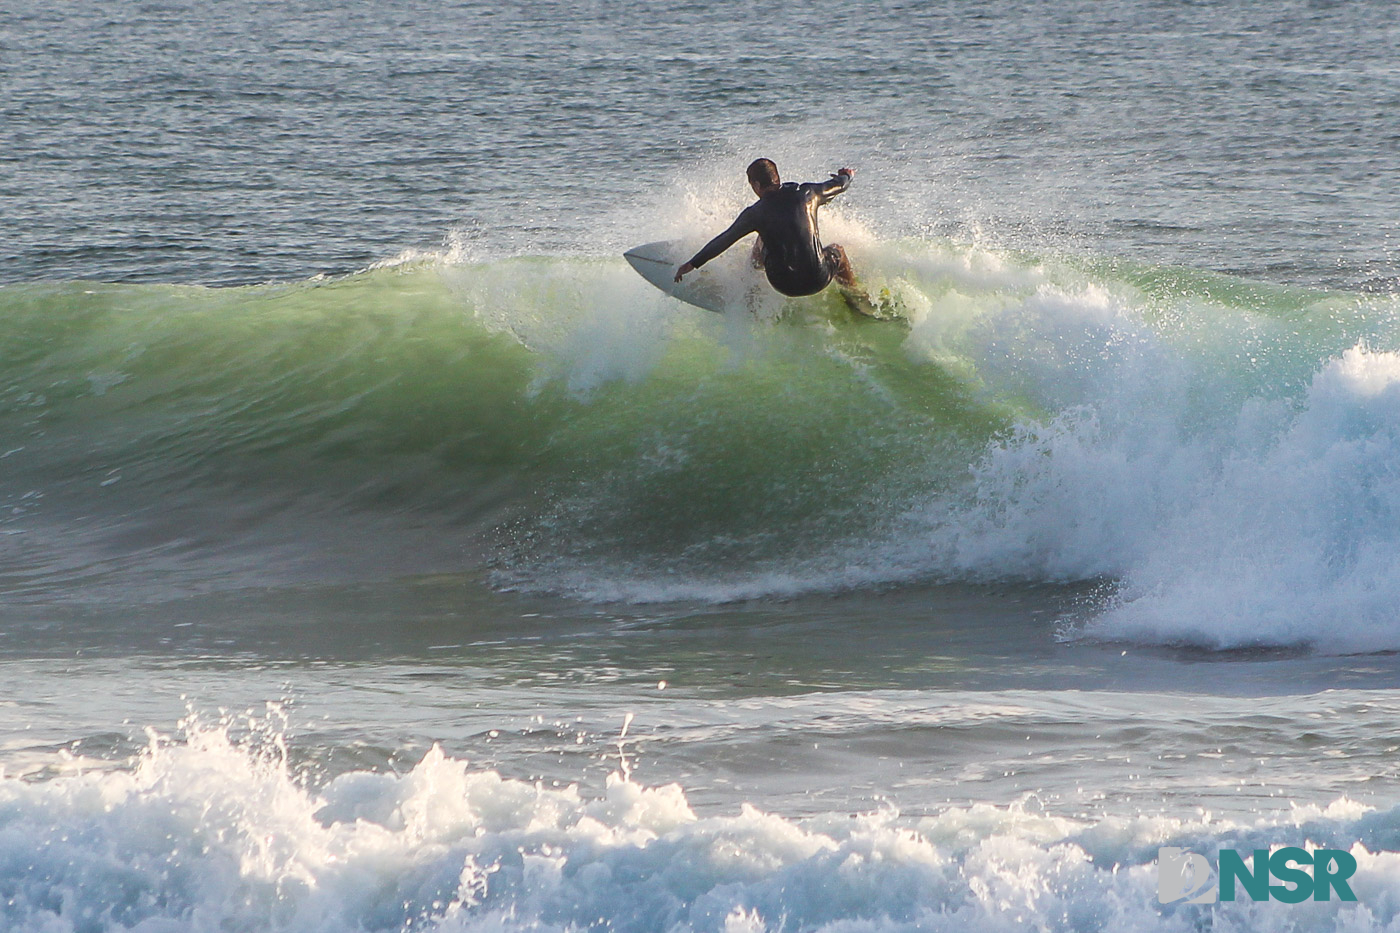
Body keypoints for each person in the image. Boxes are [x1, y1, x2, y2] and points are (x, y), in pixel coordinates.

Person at [674, 159, 857, 297]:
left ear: (756, 185)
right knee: (837, 250)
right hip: (818, 278)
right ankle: (856, 296)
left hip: (783, 285)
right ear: (777, 178)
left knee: (761, 241)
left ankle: (750, 290)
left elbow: (725, 239)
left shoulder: (755, 213)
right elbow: (839, 185)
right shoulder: (809, 194)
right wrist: (847, 175)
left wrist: (692, 263)